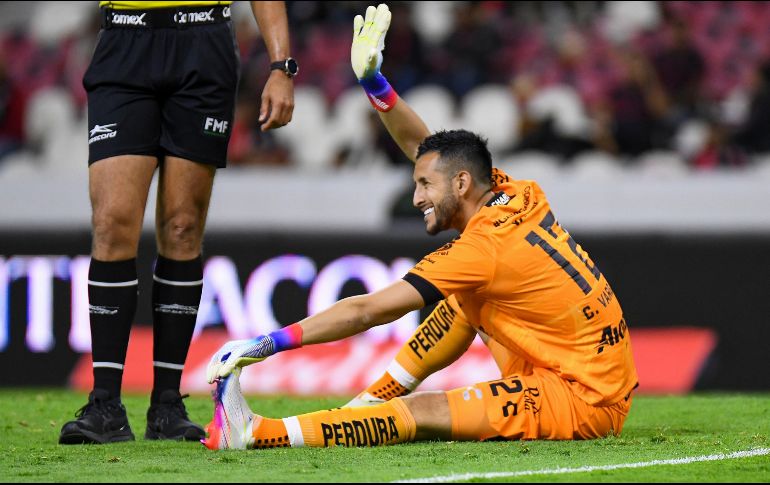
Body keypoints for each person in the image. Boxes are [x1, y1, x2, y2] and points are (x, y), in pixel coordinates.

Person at [202, 3, 637, 450]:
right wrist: (375, 84)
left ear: (462, 184)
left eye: (424, 185)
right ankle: (369, 403)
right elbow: (429, 152)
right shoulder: (517, 192)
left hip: (582, 396)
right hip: (585, 367)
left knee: (424, 411)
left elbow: (367, 311)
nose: (416, 198)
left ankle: (258, 435)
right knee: (463, 299)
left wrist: (266, 343)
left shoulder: (480, 249)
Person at [58, 1, 295, 445]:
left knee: (183, 226)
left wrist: (282, 66)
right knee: (112, 223)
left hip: (202, 42)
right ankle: (105, 402)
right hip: (125, 42)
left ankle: (167, 403)